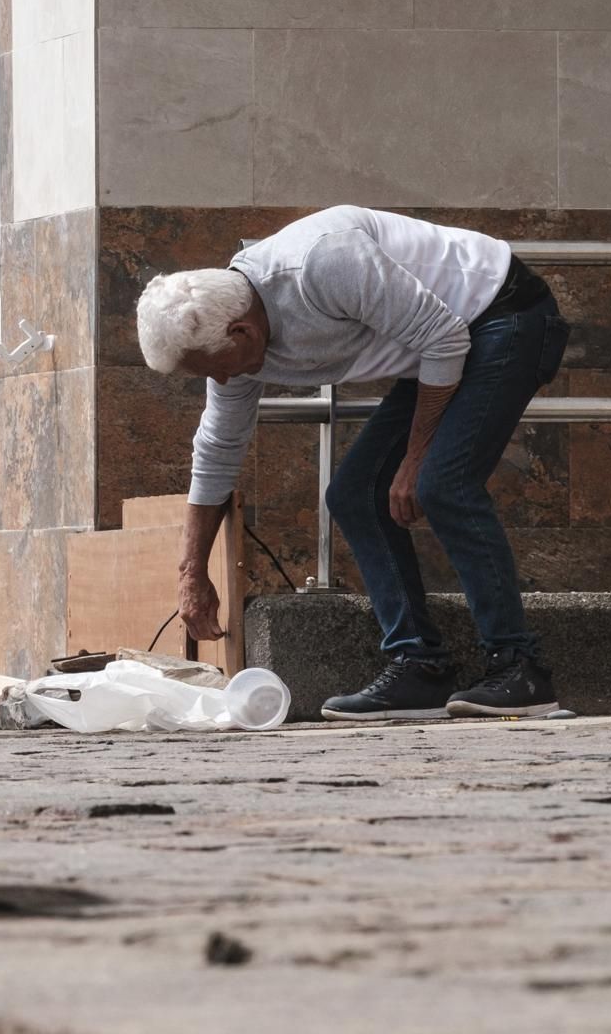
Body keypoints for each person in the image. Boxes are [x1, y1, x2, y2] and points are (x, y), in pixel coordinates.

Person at [137, 206, 572, 721]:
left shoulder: (324, 262)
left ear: (242, 333)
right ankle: (420, 667)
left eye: (215, 370)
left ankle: (519, 667)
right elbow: (217, 449)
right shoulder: (230, 340)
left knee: (441, 484)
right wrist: (193, 571)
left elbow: (446, 338)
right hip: (438, 348)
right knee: (354, 494)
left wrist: (415, 458)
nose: (222, 382)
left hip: (506, 314)